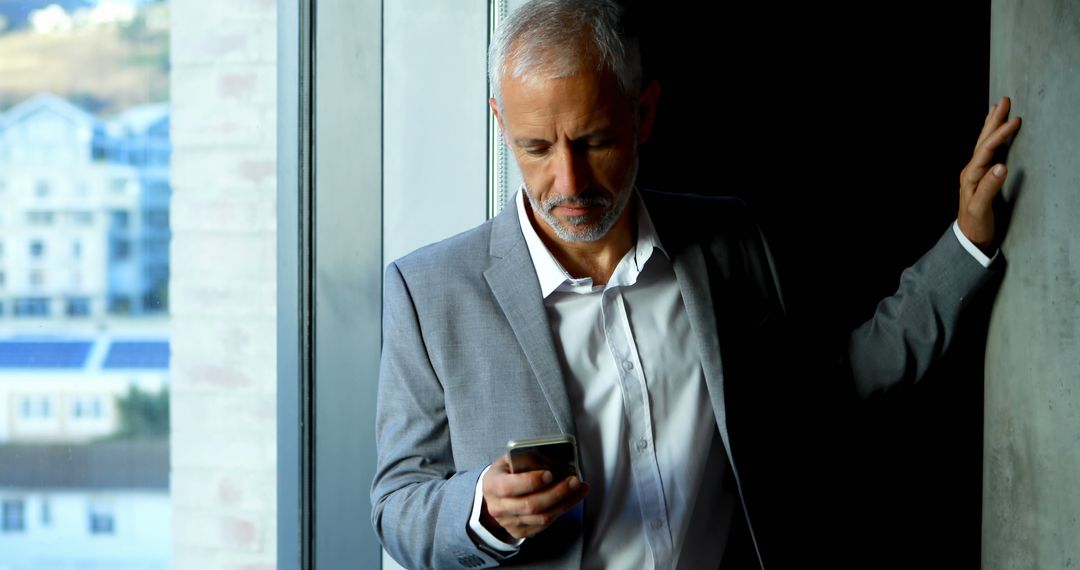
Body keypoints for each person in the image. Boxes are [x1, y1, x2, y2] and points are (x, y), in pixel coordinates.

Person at [370, 1, 1021, 568]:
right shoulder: (429, 293)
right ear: (500, 122)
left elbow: (837, 382)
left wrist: (968, 242)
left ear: (643, 114)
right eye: (536, 147)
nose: (567, 184)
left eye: (593, 142)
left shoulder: (729, 242)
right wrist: (480, 509)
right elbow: (397, 506)